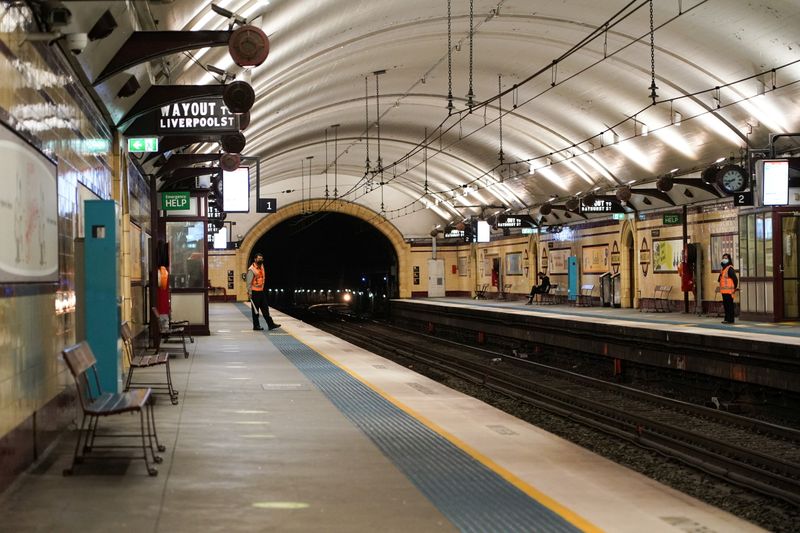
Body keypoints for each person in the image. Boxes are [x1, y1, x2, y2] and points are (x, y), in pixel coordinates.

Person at [246, 252, 280, 331]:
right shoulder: (251, 270)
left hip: (261, 292)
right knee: (255, 310)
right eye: (259, 258)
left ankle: (270, 324)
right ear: (255, 259)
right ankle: (256, 326)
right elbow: (248, 283)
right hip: (254, 293)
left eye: (261, 258)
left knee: (265, 308)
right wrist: (250, 293)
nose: (260, 260)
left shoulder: (261, 266)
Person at [718, 253, 738, 324]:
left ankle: (731, 319)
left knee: (729, 305)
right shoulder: (723, 269)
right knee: (726, 306)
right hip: (724, 291)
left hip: (729, 291)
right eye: (723, 258)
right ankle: (726, 319)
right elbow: (720, 279)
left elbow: (735, 279)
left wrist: (734, 288)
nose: (724, 259)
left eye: (726, 258)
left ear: (729, 259)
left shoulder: (730, 268)